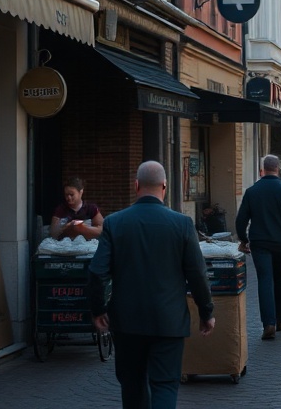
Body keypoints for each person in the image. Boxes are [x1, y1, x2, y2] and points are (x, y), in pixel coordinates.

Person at [88, 161, 215, 409]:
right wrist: (206, 311)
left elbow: (96, 272)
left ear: (136, 185)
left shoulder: (115, 223)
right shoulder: (182, 224)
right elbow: (197, 274)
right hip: (168, 321)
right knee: (165, 384)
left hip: (127, 321)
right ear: (164, 186)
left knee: (132, 384)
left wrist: (98, 309)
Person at [235, 154, 281, 340]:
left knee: (265, 280)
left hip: (259, 243)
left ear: (262, 170)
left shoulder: (252, 191)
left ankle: (268, 323)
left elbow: (240, 220)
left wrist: (243, 240)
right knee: (280, 279)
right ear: (278, 169)